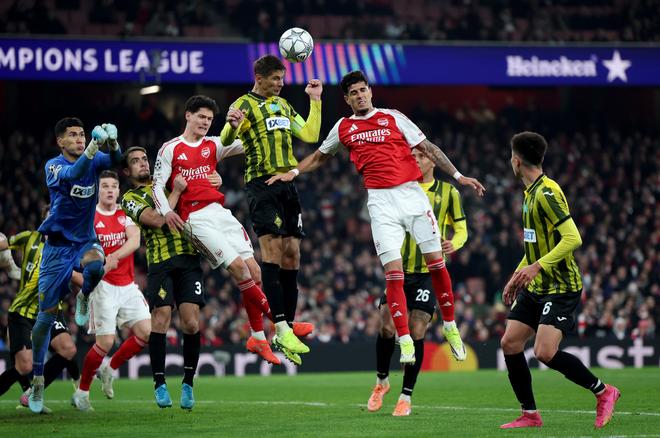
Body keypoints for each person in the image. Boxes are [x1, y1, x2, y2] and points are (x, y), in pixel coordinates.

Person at [267, 70, 485, 365]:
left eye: (362, 90)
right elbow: (320, 155)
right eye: (353, 93)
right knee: (393, 273)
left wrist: (459, 176)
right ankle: (404, 340)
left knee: (436, 263)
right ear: (347, 99)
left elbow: (428, 148)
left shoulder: (393, 117)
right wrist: (293, 172)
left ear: (370, 91)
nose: (360, 96)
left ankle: (450, 326)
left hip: (411, 194)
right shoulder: (344, 127)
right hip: (381, 203)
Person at [152, 95, 306, 365]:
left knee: (255, 272)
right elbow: (156, 185)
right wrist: (166, 211)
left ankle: (257, 337)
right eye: (201, 117)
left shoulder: (213, 144)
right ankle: (282, 326)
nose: (205, 122)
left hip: (220, 213)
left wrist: (263, 124)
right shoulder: (170, 149)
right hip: (194, 219)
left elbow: (252, 142)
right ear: (188, 115)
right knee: (238, 268)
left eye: (210, 119)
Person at [121, 146, 270, 410]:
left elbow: (201, 190)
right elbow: (156, 219)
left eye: (144, 159)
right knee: (161, 318)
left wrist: (215, 179)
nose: (143, 163)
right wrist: (177, 192)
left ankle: (188, 383)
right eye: (135, 161)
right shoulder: (130, 198)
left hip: (189, 261)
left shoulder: (167, 181)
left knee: (191, 323)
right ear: (126, 171)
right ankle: (159, 383)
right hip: (161, 264)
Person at [499, 131, 620, 429]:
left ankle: (604, 392)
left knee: (544, 352)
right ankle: (530, 414)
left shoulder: (547, 193)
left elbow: (573, 237)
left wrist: (537, 267)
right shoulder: (529, 194)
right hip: (537, 285)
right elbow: (534, 246)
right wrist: (517, 276)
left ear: (516, 161)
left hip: (561, 286)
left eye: (511, 157)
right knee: (510, 342)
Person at [220, 54, 319, 361]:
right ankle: (281, 327)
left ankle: (286, 327)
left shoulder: (284, 105)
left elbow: (310, 135)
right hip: (261, 185)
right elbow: (225, 138)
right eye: (275, 78)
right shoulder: (243, 105)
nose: (280, 83)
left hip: (287, 184)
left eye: (282, 78)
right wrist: (232, 126)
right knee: (272, 252)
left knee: (293, 253)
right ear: (259, 78)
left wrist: (315, 100)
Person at [29, 118, 121, 413]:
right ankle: (37, 380)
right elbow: (75, 172)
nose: (80, 138)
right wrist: (94, 145)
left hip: (84, 240)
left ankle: (83, 295)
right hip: (57, 247)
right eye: (73, 135)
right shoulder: (54, 166)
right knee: (44, 319)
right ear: (60, 141)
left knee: (95, 268)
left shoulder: (94, 160)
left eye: (82, 134)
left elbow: (116, 161)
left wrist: (113, 143)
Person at [368, 147, 469, 416]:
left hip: (427, 273)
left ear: (433, 161)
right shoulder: (399, 190)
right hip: (399, 272)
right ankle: (382, 382)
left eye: (421, 157)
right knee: (386, 326)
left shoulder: (449, 192)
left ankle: (406, 396)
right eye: (412, 157)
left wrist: (455, 243)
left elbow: (461, 228)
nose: (415, 160)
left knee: (418, 329)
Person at [71, 170, 150, 411]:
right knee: (105, 342)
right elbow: (82, 255)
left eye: (113, 186)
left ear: (118, 190)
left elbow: (134, 241)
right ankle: (82, 392)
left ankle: (110, 368)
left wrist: (112, 256)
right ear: (98, 190)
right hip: (102, 287)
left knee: (147, 332)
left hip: (128, 285)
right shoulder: (89, 218)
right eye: (104, 186)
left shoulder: (125, 213)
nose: (109, 190)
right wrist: (102, 266)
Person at [0, 209, 81, 414]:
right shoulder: (31, 239)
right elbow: (5, 242)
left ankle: (35, 392)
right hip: (23, 312)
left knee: (68, 349)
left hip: (49, 310)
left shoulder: (67, 248)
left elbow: (78, 275)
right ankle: (72, 386)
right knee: (24, 366)